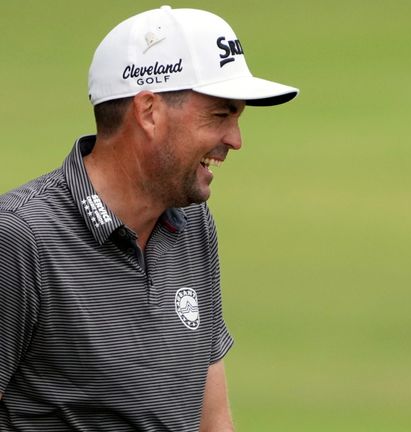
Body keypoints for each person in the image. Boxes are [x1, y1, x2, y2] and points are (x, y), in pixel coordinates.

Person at [0, 6, 297, 431]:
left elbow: (211, 421)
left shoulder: (191, 225)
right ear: (149, 111)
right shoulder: (19, 237)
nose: (235, 139)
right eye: (220, 114)